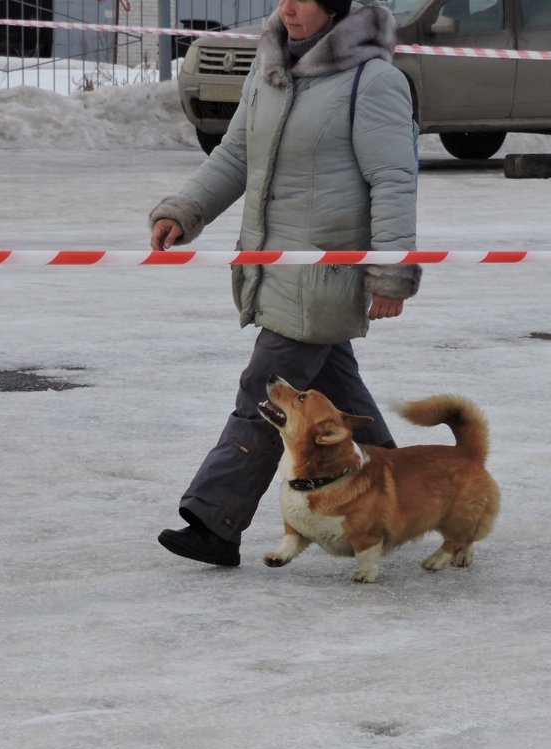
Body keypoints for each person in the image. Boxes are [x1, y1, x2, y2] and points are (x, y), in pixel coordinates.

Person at [150, 0, 421, 567]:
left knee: (265, 392)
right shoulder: (271, 68)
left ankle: (214, 522)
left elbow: (393, 180)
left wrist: (389, 271)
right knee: (338, 397)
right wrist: (187, 209)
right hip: (274, 268)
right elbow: (237, 154)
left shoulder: (373, 82)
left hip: (324, 274)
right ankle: (405, 495)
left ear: (334, 7)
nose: (286, 9)